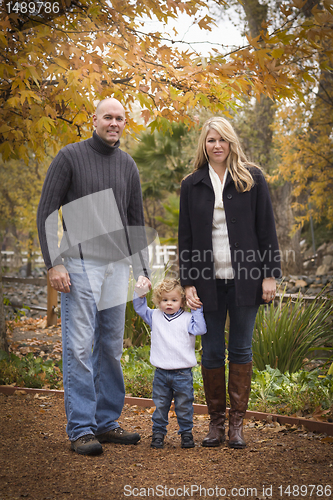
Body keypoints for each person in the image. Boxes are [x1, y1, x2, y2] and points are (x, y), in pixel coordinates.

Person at [37, 98, 151, 455]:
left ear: (124, 123)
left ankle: (106, 423)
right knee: (79, 347)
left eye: (119, 118)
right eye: (108, 117)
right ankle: (81, 428)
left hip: (117, 267)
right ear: (94, 120)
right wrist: (54, 263)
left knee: (111, 348)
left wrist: (143, 269)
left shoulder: (128, 165)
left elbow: (135, 221)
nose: (113, 123)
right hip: (81, 265)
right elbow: (46, 212)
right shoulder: (70, 157)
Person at [178, 117, 281, 449]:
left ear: (231, 142)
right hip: (206, 284)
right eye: (210, 140)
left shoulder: (252, 179)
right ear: (203, 145)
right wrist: (188, 283)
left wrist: (270, 274)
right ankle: (216, 425)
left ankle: (237, 426)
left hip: (246, 280)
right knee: (210, 352)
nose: (217, 145)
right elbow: (186, 239)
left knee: (240, 348)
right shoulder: (191, 184)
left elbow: (267, 229)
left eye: (222, 139)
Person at [133, 278, 206, 449]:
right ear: (158, 301)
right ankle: (158, 434)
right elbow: (139, 308)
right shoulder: (155, 316)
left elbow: (201, 329)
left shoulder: (188, 318)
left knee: (184, 406)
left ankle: (186, 434)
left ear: (182, 301)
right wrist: (139, 293)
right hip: (161, 373)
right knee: (160, 406)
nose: (169, 304)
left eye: (174, 300)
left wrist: (197, 310)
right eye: (164, 300)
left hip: (182, 374)